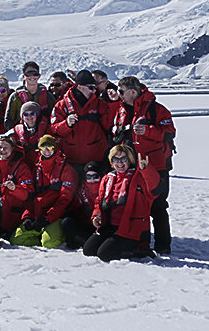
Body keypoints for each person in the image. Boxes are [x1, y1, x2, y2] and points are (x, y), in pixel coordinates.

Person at [111, 76, 175, 255]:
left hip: (156, 165)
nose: (119, 95)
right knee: (135, 204)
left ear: (133, 91)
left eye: (122, 92)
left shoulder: (157, 109)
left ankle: (163, 245)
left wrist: (148, 131)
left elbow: (169, 133)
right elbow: (115, 131)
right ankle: (140, 242)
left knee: (158, 205)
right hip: (131, 166)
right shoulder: (121, 111)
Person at [83, 145, 159, 262]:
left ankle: (139, 250)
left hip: (129, 229)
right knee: (88, 250)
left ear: (130, 160)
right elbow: (99, 201)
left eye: (123, 159)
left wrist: (147, 170)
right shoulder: (108, 178)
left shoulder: (138, 177)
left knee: (104, 254)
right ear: (111, 162)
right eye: (116, 159)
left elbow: (155, 190)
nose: (120, 163)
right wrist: (96, 216)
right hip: (110, 226)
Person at [11, 135, 77, 249]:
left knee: (49, 243)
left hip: (56, 216)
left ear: (55, 148)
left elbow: (65, 199)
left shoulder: (66, 169)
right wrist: (27, 216)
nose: (46, 150)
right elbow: (31, 196)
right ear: (39, 149)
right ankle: (42, 236)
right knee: (16, 240)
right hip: (38, 215)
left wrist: (47, 219)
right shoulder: (36, 169)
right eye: (43, 147)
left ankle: (59, 235)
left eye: (50, 147)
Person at [49, 69, 112, 169]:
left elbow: (109, 126)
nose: (94, 91)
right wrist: (66, 124)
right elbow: (54, 130)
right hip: (71, 160)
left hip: (96, 160)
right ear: (80, 87)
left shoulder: (100, 104)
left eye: (95, 87)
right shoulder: (62, 105)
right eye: (91, 88)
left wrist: (114, 102)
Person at [5, 61, 52, 129]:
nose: (32, 76)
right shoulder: (15, 97)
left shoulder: (47, 95)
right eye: (29, 74)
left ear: (39, 76)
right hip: (21, 135)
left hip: (43, 133)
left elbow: (53, 117)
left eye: (35, 73)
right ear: (24, 76)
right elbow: (8, 121)